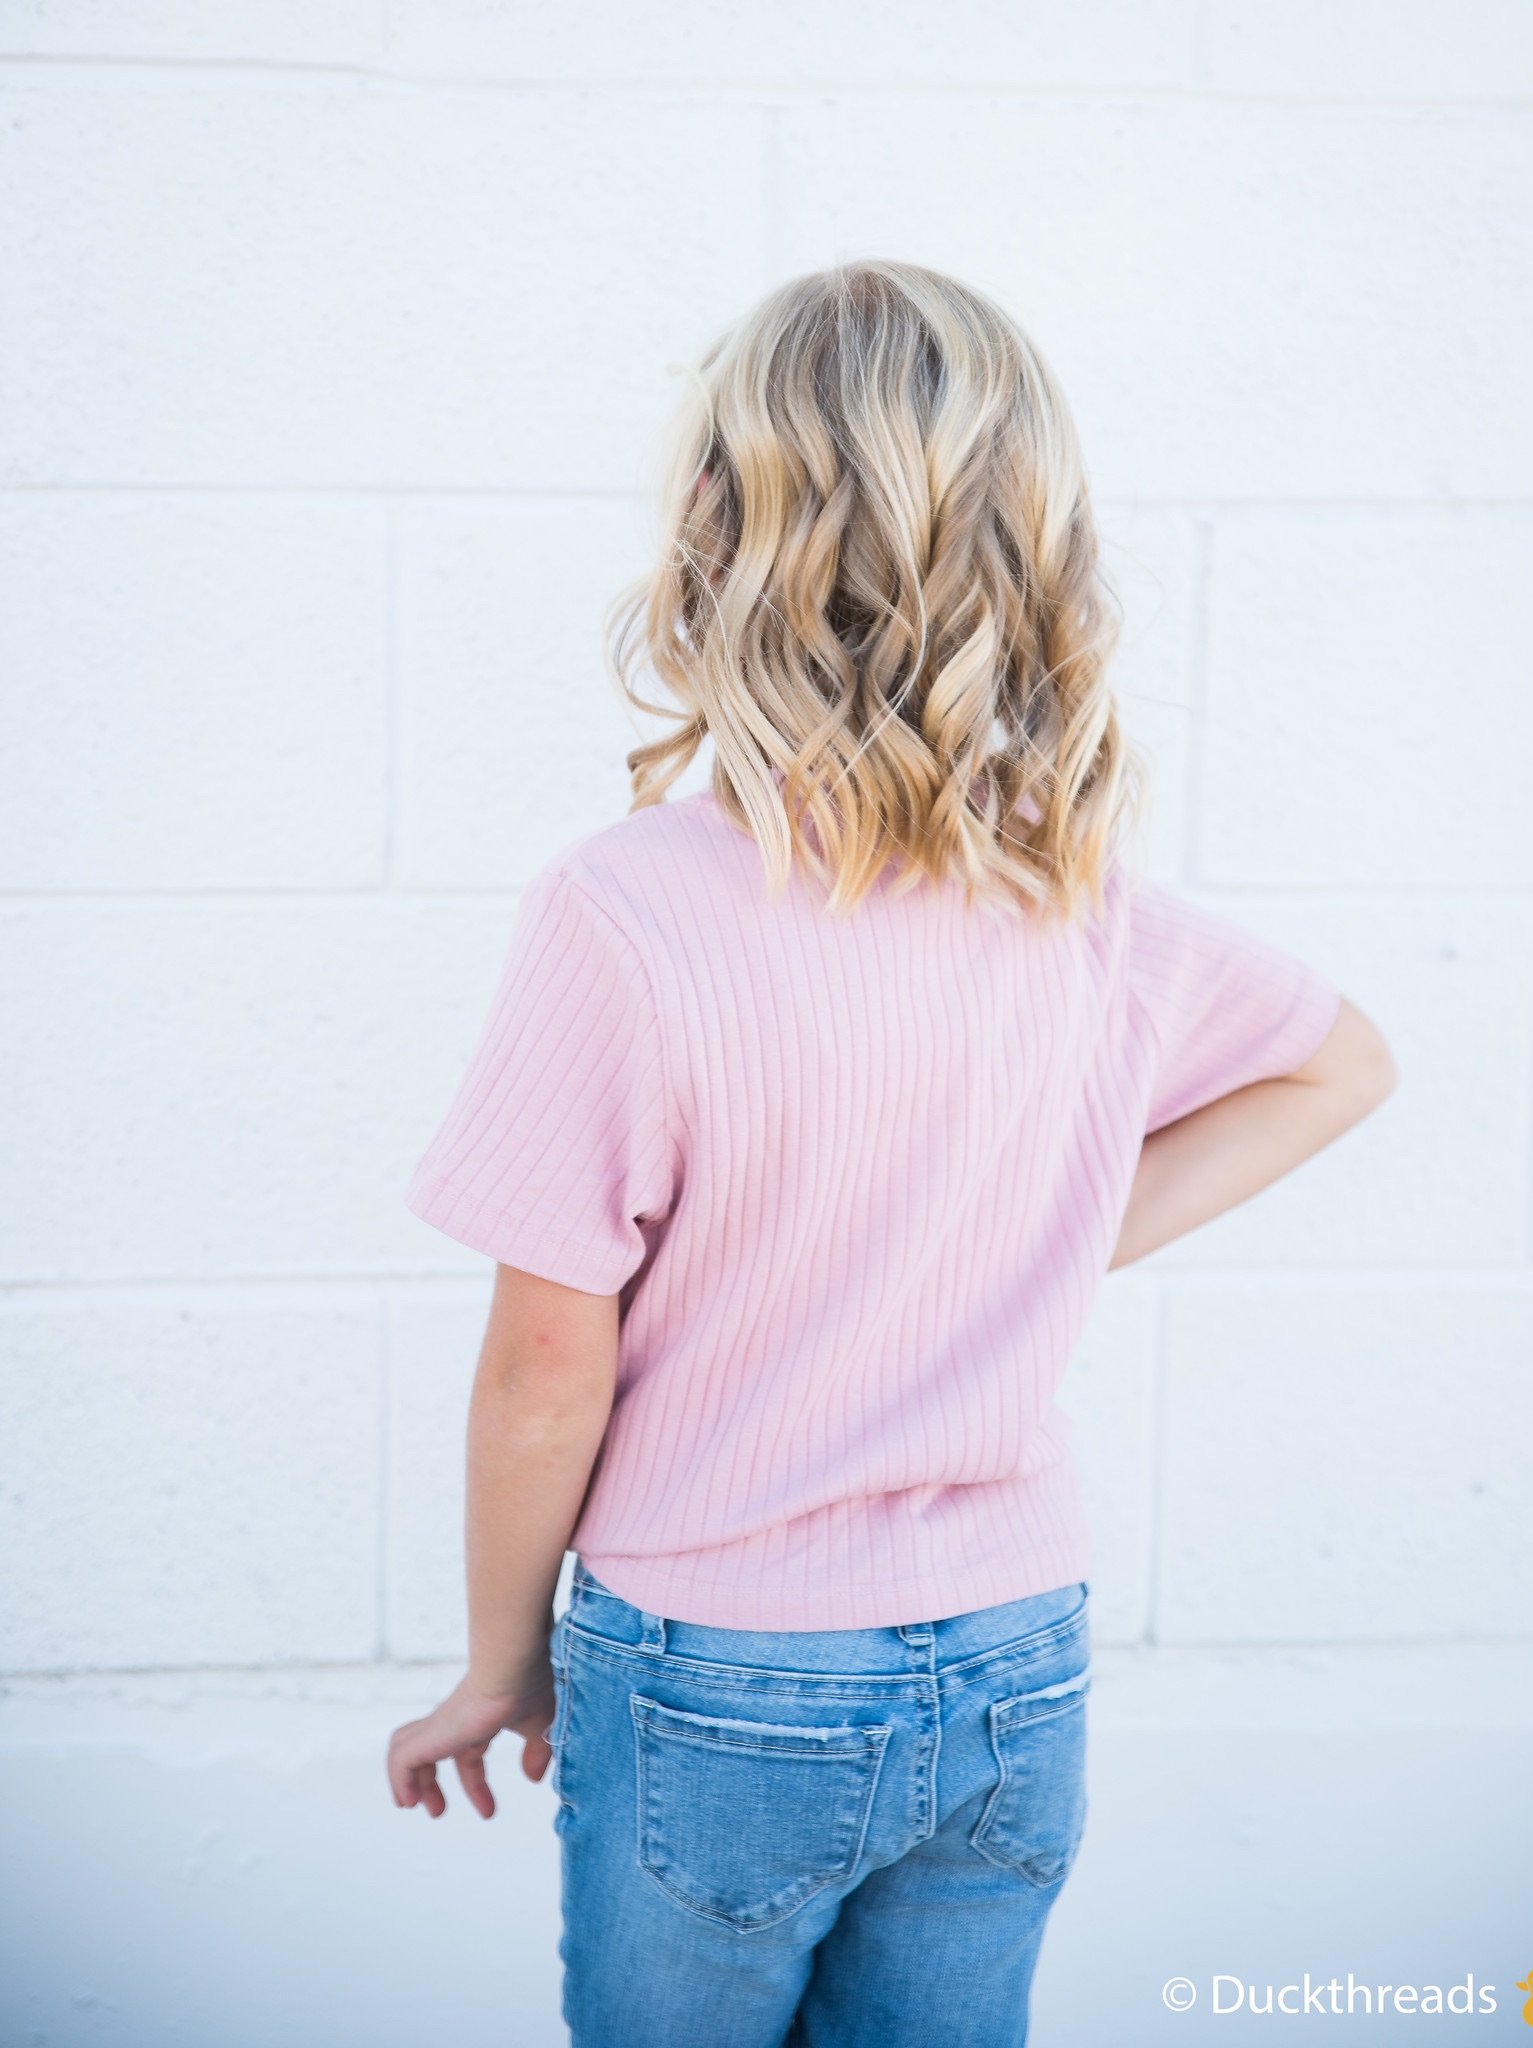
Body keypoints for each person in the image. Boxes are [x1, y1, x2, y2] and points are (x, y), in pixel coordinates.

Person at [385, 260, 1396, 2047]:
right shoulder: (1068, 891)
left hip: (723, 1679)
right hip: (1019, 1654)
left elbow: (546, 1370)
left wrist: (499, 1664)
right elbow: (1339, 1065)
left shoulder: (626, 911)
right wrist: (1024, 1236)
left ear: (713, 522)